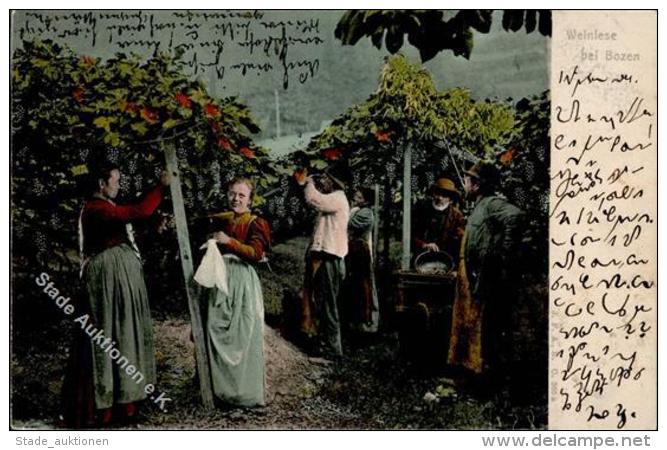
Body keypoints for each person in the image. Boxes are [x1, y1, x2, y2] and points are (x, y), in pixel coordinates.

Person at [61, 161, 169, 427]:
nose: (118, 185)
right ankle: (108, 404)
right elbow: (138, 211)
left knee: (124, 333)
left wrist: (154, 226)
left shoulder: (105, 208)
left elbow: (124, 230)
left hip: (118, 278)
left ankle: (126, 400)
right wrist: (161, 187)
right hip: (107, 281)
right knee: (110, 333)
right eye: (116, 180)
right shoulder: (95, 209)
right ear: (101, 183)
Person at [447, 161, 524, 388]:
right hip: (467, 273)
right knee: (466, 323)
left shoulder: (491, 204)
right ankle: (467, 372)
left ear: (478, 185)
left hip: (480, 274)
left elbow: (516, 217)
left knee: (480, 325)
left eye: (469, 181)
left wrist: (502, 255)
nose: (466, 185)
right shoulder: (479, 206)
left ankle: (482, 378)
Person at [203, 177, 271, 407]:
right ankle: (220, 390)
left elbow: (256, 253)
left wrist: (229, 242)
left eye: (242, 195)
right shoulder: (222, 219)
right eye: (232, 193)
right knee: (216, 326)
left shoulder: (255, 222)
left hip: (242, 280)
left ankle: (244, 393)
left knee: (242, 332)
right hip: (221, 278)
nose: (236, 199)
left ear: (250, 200)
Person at [297, 168, 350, 358]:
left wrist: (308, 182)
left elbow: (313, 199)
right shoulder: (333, 199)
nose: (322, 182)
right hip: (325, 257)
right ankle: (325, 343)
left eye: (325, 178)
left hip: (331, 259)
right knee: (321, 302)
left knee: (328, 304)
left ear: (334, 181)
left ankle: (333, 349)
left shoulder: (337, 198)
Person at [344, 187, 379, 334]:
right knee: (352, 286)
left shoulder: (366, 213)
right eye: (356, 196)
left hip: (361, 252)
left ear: (367, 201)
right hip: (353, 251)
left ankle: (367, 323)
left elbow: (347, 223)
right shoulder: (357, 210)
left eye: (359, 198)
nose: (355, 199)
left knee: (364, 286)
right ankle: (352, 322)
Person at [412, 177, 466, 263]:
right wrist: (424, 245)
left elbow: (461, 242)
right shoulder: (422, 210)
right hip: (422, 258)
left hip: (446, 259)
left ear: (450, 199)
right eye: (438, 194)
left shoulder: (457, 216)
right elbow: (411, 235)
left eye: (444, 195)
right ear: (433, 193)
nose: (440, 198)